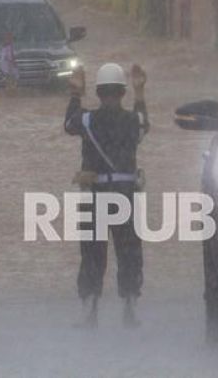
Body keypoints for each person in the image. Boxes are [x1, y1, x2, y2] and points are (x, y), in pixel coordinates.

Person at [64, 62, 149, 328]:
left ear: (98, 93)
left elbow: (68, 124)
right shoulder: (132, 120)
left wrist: (76, 93)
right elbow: (144, 125)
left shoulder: (87, 120)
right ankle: (130, 310)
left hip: (96, 194)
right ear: (122, 93)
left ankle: (90, 312)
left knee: (92, 253)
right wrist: (141, 93)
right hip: (125, 195)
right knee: (129, 252)